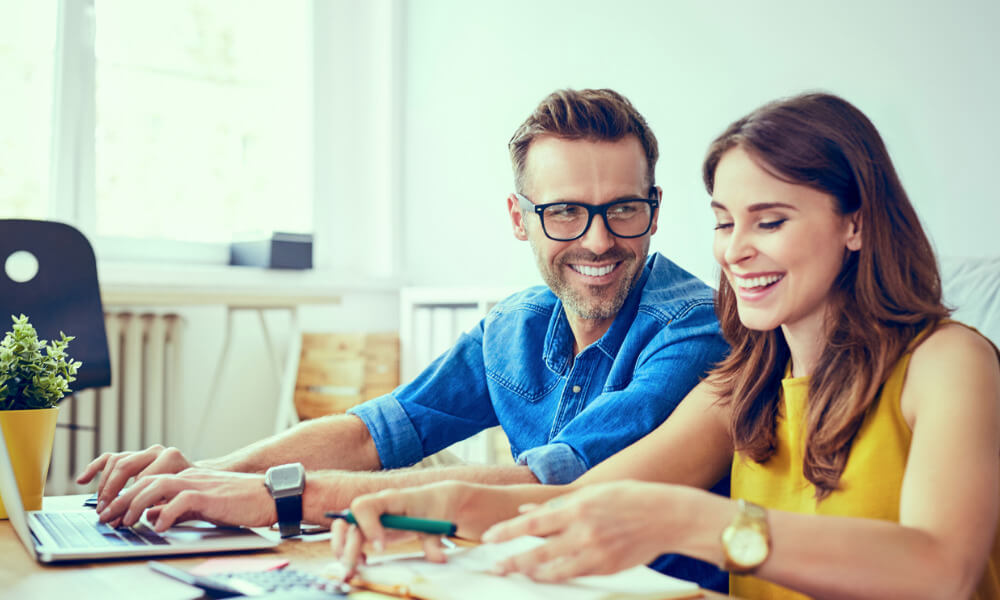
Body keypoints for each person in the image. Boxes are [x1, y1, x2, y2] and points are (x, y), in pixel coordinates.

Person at [333, 92, 1000, 599]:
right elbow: (585, 499)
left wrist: (692, 522)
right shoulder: (743, 382)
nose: (736, 251)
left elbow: (943, 568)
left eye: (770, 221)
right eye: (724, 221)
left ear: (855, 223)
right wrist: (435, 508)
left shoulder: (947, 364)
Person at [77, 89, 730, 589]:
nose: (597, 239)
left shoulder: (693, 326)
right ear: (518, 217)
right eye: (563, 211)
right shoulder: (515, 325)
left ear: (655, 208)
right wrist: (202, 475)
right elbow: (374, 432)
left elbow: (557, 481)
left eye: (623, 208)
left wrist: (274, 494)